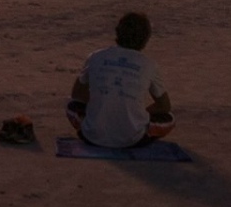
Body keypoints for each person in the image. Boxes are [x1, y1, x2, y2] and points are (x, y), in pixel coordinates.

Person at [68, 12, 173, 148]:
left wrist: (102, 104)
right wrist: (140, 113)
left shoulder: (96, 57)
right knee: (169, 119)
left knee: (71, 106)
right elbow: (164, 106)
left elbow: (77, 94)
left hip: (92, 136)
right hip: (132, 139)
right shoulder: (149, 65)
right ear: (146, 38)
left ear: (118, 32)